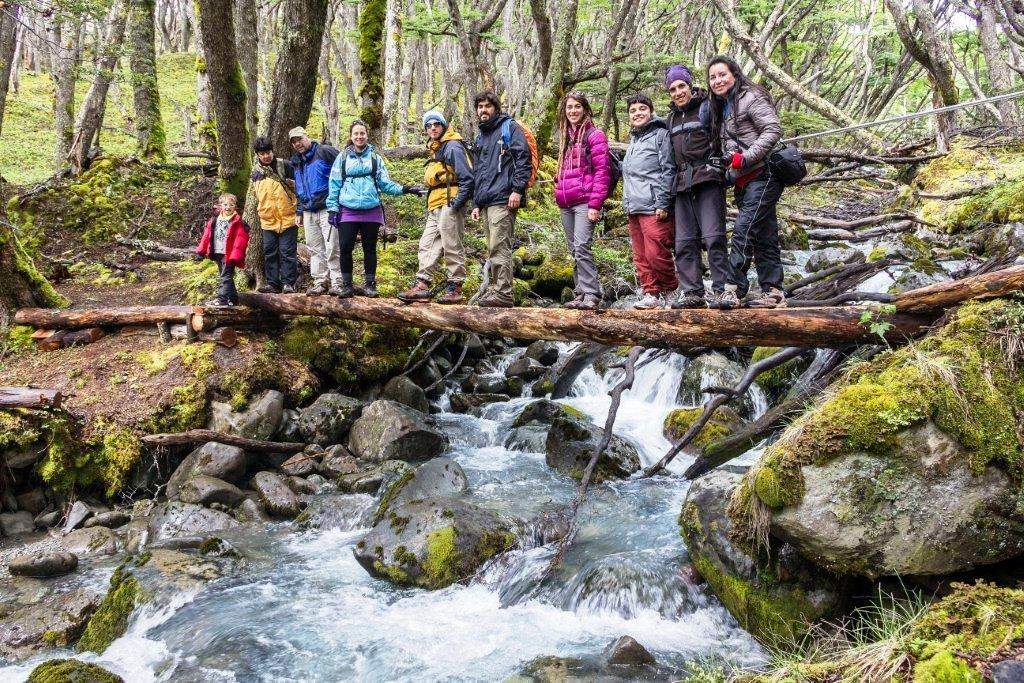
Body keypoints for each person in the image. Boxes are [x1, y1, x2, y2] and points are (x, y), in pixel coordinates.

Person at [706, 55, 786, 308]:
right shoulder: (722, 106)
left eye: (722, 74)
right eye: (712, 77)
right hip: (743, 181)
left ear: (735, 74)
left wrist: (746, 158)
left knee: (743, 230)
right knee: (765, 234)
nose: (717, 80)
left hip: (764, 173)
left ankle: (733, 289)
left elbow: (772, 129)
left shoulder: (750, 97)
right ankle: (773, 291)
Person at [664, 65, 735, 310]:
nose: (678, 92)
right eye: (672, 89)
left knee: (714, 237)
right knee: (684, 241)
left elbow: (725, 135)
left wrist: (724, 164)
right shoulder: (671, 118)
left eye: (681, 86)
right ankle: (693, 292)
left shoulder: (707, 107)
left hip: (708, 179)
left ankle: (722, 290)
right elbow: (669, 157)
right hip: (682, 184)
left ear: (690, 85)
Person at [326, 119, 423, 298]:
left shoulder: (375, 158)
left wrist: (405, 189)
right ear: (351, 136)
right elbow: (334, 183)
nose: (359, 136)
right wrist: (332, 208)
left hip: (371, 208)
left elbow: (385, 184)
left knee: (369, 248)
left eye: (362, 133)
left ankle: (370, 284)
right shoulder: (343, 157)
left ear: (367, 135)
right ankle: (347, 286)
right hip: (348, 209)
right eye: (356, 133)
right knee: (345, 247)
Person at [397, 110, 474, 305]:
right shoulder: (436, 148)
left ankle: (455, 286)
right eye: (429, 125)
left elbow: (467, 178)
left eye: (436, 124)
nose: (433, 128)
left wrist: (457, 203)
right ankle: (422, 284)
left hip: (450, 202)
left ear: (443, 126)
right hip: (436, 203)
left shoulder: (453, 146)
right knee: (427, 243)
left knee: (451, 244)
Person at [471, 91, 532, 308]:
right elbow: (479, 171)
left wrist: (517, 190)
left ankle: (504, 293)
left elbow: (524, 158)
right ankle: (497, 290)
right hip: (487, 200)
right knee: (491, 246)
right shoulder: (481, 135)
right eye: (480, 107)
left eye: (487, 106)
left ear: (495, 108)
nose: (483, 110)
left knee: (499, 246)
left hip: (503, 198)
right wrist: (476, 202)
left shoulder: (509, 128)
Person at [553, 91, 611, 310]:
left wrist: (596, 204)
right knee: (573, 250)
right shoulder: (566, 136)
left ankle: (592, 294)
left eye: (577, 107)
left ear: (585, 109)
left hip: (585, 201)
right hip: (566, 201)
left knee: (582, 247)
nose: (573, 111)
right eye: (569, 107)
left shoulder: (594, 135)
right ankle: (580, 292)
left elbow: (602, 172)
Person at [621, 93, 677, 309]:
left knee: (656, 253)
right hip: (633, 205)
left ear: (650, 111)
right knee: (641, 255)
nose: (638, 113)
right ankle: (650, 293)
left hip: (654, 205)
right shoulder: (634, 140)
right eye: (633, 111)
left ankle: (671, 290)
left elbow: (668, 169)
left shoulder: (660, 134)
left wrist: (663, 202)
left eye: (642, 109)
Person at [289, 126, 341, 296]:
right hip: (308, 211)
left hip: (328, 208)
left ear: (307, 136)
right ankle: (320, 281)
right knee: (314, 248)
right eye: (294, 142)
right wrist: (299, 211)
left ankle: (337, 282)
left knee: (332, 245)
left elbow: (343, 170)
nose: (298, 143)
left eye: (300, 139)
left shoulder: (324, 152)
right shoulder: (296, 161)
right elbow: (299, 188)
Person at [251, 137, 299, 294]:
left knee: (287, 252)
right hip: (267, 220)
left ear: (272, 151)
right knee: (270, 252)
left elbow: (298, 188)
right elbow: (256, 194)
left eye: (268, 152)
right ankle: (273, 283)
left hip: (288, 217)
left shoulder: (285, 165)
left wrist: (299, 210)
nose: (266, 156)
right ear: (258, 155)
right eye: (262, 153)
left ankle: (288, 283)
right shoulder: (256, 172)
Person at [196, 193, 250, 306]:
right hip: (217, 252)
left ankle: (222, 299)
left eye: (231, 205)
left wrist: (235, 256)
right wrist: (201, 251)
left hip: (229, 254)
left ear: (235, 207)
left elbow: (240, 241)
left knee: (225, 276)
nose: (228, 207)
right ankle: (233, 299)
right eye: (225, 204)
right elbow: (207, 235)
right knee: (225, 276)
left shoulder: (237, 221)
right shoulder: (215, 219)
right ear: (220, 205)